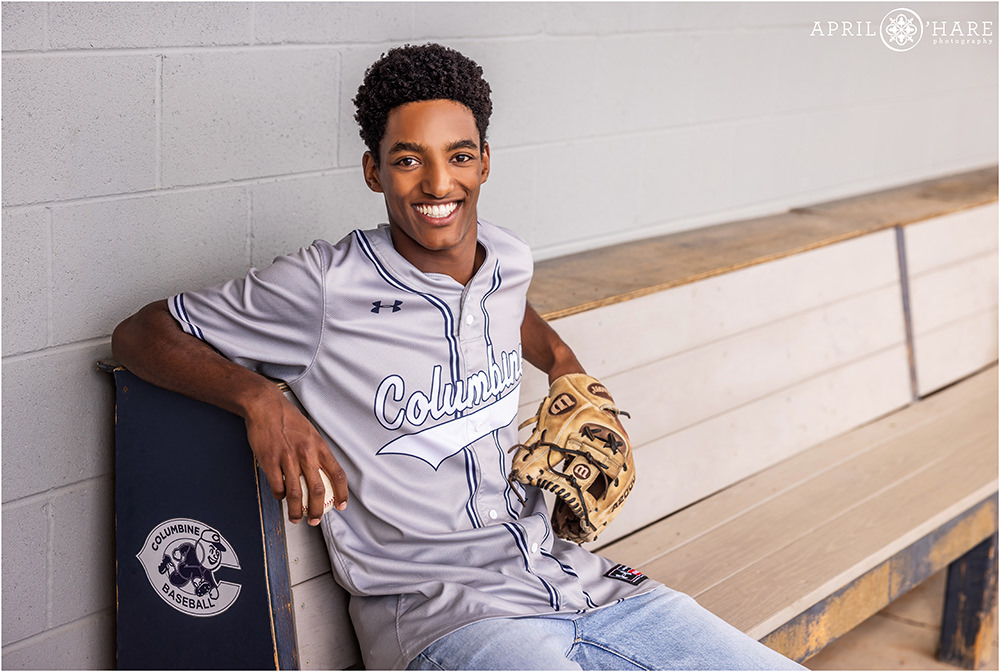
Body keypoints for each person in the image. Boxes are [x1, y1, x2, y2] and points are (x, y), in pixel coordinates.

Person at [113, 43, 803, 671]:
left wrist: (564, 361)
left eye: (460, 155)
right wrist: (258, 398)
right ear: (373, 170)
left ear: (486, 160)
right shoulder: (326, 286)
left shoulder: (507, 257)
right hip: (445, 617)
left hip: (575, 580)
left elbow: (503, 300)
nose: (439, 185)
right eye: (409, 159)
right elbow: (141, 335)